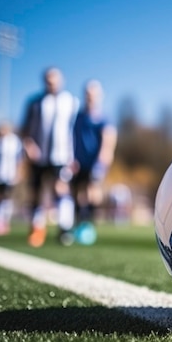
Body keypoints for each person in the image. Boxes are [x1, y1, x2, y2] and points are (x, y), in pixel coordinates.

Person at [20, 67, 79, 247]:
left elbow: (75, 130)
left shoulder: (71, 102)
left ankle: (65, 229)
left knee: (61, 189)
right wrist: (29, 146)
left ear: (61, 80)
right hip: (39, 156)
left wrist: (74, 156)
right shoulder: (35, 103)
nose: (51, 84)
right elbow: (24, 129)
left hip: (61, 156)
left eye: (55, 80)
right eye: (48, 80)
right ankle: (37, 228)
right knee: (36, 192)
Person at [70, 79, 117, 243]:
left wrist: (102, 162)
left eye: (94, 94)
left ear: (100, 96)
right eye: (88, 94)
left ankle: (88, 225)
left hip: (95, 163)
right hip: (77, 163)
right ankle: (76, 224)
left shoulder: (104, 118)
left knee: (92, 191)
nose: (91, 97)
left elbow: (108, 141)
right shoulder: (78, 117)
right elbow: (71, 138)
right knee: (76, 193)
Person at [0, 121, 23, 235]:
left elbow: (19, 159)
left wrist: (18, 173)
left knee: (6, 198)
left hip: (9, 175)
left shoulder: (15, 141)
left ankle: (5, 221)